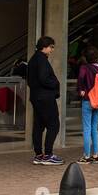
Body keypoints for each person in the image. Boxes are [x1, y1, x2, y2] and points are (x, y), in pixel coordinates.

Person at [26, 36, 64, 166]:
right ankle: (48, 154)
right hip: (45, 97)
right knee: (54, 124)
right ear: (45, 46)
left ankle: (38, 155)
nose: (52, 50)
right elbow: (43, 78)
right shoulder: (42, 60)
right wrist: (54, 83)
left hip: (36, 97)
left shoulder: (33, 60)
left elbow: (30, 80)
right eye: (51, 47)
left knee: (39, 125)